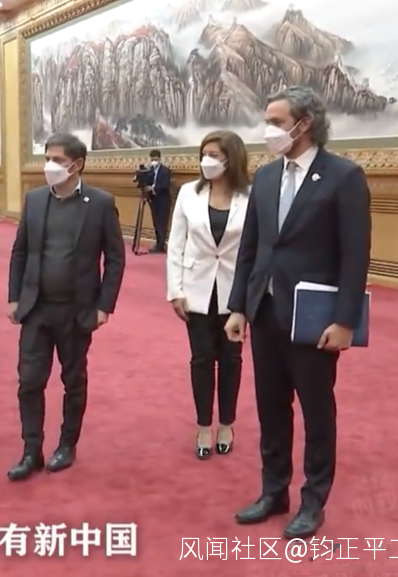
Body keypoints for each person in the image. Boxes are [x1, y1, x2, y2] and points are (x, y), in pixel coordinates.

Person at [225, 86, 371, 539]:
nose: (268, 130)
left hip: (313, 319)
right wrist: (238, 307)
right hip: (266, 311)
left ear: (304, 124)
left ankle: (313, 501)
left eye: (276, 122)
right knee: (271, 408)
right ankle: (274, 492)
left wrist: (345, 321)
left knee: (316, 411)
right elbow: (251, 248)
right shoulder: (266, 176)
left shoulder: (344, 177)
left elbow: (355, 256)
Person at [6, 133, 124, 481]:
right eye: (47, 158)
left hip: (77, 310)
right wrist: (14, 296)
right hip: (36, 308)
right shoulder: (35, 199)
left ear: (77, 164)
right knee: (29, 381)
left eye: (57, 160)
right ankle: (31, 451)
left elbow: (115, 258)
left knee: (73, 380)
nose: (50, 166)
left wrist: (104, 306)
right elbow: (20, 251)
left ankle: (67, 445)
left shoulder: (100, 203)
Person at [166, 130, 250, 460]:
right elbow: (176, 244)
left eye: (214, 155)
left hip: (234, 293)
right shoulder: (189, 192)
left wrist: (248, 299)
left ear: (232, 158)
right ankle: (203, 425)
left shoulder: (251, 196)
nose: (207, 160)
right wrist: (175, 290)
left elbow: (254, 249)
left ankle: (226, 423)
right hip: (196, 290)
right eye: (204, 154)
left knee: (231, 360)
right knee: (201, 360)